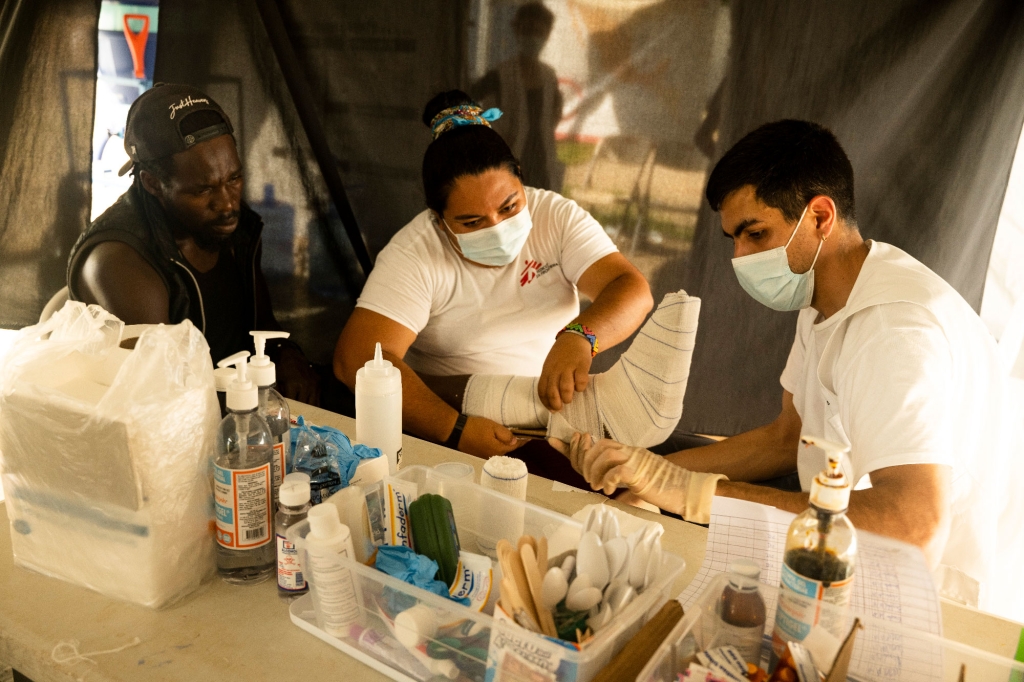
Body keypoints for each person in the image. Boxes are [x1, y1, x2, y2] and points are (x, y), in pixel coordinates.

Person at [554, 120, 1011, 607]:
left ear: (819, 216)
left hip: (946, 599)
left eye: (755, 233)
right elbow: (786, 437)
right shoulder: (824, 294)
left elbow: (912, 527)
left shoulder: (894, 331)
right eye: (733, 238)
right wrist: (646, 472)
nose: (740, 257)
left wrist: (685, 491)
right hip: (854, 558)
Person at [334, 91, 653, 462]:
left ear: (521, 179)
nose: (498, 228)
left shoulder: (557, 217)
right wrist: (453, 429)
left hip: (554, 412)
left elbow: (632, 289)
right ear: (439, 221)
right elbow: (356, 357)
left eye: (510, 206)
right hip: (458, 416)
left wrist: (579, 338)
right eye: (472, 222)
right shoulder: (415, 254)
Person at [67, 83, 320, 403]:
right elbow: (161, 396)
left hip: (237, 405)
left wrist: (287, 355)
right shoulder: (118, 262)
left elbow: (262, 325)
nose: (228, 204)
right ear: (153, 183)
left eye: (234, 179)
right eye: (203, 190)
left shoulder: (232, 227)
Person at [471, 2, 564, 192]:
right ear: (517, 30)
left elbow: (555, 110)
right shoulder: (501, 74)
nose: (532, 37)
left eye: (538, 31)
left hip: (542, 163)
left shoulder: (549, 76)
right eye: (527, 29)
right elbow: (469, 98)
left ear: (546, 35)